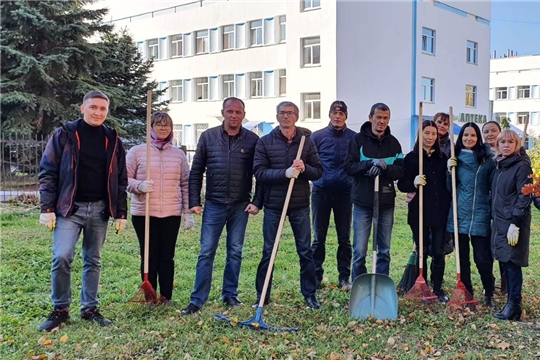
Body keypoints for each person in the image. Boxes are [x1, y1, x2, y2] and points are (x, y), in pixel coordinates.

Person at [38, 90, 127, 331]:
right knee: (62, 256)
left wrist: (120, 213)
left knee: (93, 259)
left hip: (99, 210)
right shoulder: (65, 134)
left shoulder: (112, 138)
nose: (98, 112)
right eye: (93, 107)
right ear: (82, 108)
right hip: (69, 209)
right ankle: (60, 309)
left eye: (103, 109)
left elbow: (120, 178)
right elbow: (47, 172)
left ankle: (89, 309)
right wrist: (47, 207)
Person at [181, 97, 262, 315]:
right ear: (223, 113)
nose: (234, 115)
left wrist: (257, 202)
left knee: (235, 251)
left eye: (238, 112)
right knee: (206, 252)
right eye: (230, 111)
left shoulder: (252, 140)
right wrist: (194, 201)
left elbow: (260, 173)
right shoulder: (208, 137)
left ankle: (230, 295)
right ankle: (197, 299)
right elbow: (196, 171)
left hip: (240, 205)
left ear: (243, 115)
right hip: (214, 204)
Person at [253, 101, 323, 308]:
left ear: (296, 116)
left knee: (304, 251)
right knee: (269, 251)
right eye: (282, 113)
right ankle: (262, 295)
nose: (286, 116)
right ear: (277, 117)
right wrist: (284, 173)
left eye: (290, 113)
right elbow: (259, 172)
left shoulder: (306, 142)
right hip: (274, 205)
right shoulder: (265, 142)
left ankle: (310, 294)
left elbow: (318, 171)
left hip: (300, 204)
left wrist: (305, 168)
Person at [126, 112, 194, 305]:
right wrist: (139, 186)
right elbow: (125, 178)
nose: (163, 128)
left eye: (167, 125)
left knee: (167, 256)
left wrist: (187, 212)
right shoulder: (138, 152)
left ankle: (166, 296)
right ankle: (150, 296)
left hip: (171, 213)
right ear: (151, 127)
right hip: (144, 213)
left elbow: (185, 183)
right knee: (149, 255)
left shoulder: (178, 154)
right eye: (159, 124)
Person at [343, 102, 405, 279]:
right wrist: (369, 165)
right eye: (378, 117)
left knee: (384, 249)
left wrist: (386, 168)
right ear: (370, 118)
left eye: (385, 118)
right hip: (363, 202)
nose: (382, 121)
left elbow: (401, 169)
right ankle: (359, 283)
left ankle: (380, 282)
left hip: (386, 203)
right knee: (360, 250)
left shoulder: (394, 143)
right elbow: (349, 166)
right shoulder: (357, 141)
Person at [397, 120, 451, 302]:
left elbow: (449, 185)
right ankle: (423, 285)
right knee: (423, 250)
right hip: (418, 212)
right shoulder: (412, 158)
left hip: (439, 212)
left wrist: (452, 170)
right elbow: (402, 185)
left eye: (433, 134)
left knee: (438, 250)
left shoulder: (443, 159)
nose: (430, 137)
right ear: (420, 135)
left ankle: (437, 287)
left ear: (438, 136)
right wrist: (413, 182)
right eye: (426, 133)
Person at [447, 122, 496, 307]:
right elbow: (448, 188)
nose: (469, 138)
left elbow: (494, 186)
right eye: (466, 135)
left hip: (480, 213)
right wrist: (448, 170)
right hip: (459, 213)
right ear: (461, 138)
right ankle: (467, 293)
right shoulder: (455, 158)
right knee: (463, 259)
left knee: (482, 259)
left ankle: (489, 291)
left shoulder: (487, 160)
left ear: (478, 138)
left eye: (473, 135)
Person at [310, 101, 356, 290]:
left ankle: (344, 277)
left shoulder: (354, 138)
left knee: (344, 238)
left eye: (341, 113)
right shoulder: (317, 137)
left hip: (345, 193)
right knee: (318, 237)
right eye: (334, 113)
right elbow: (309, 161)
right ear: (329, 115)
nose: (337, 116)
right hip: (321, 192)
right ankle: (316, 276)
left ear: (346, 116)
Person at [491, 130, 533, 320]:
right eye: (502, 142)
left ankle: (514, 304)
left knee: (512, 262)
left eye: (510, 142)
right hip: (501, 221)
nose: (506, 145)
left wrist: (515, 222)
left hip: (513, 222)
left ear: (517, 145)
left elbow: (524, 195)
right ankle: (510, 302)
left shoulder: (521, 166)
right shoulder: (501, 165)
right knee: (505, 261)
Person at [482, 120, 506, 295]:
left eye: (493, 131)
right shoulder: (481, 154)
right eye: (486, 131)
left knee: (504, 248)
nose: (490, 134)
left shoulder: (506, 153)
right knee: (487, 249)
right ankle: (489, 283)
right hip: (486, 206)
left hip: (503, 208)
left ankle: (506, 284)